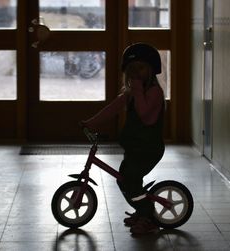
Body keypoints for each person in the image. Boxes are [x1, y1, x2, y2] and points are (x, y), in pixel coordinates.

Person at [81, 43, 165, 235]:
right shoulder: (130, 94)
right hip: (135, 148)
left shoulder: (154, 92)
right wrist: (91, 123)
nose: (136, 74)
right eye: (132, 70)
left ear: (152, 70)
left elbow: (145, 115)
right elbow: (112, 109)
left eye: (141, 69)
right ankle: (141, 210)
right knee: (123, 180)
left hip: (149, 148)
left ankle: (149, 218)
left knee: (131, 181)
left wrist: (136, 92)